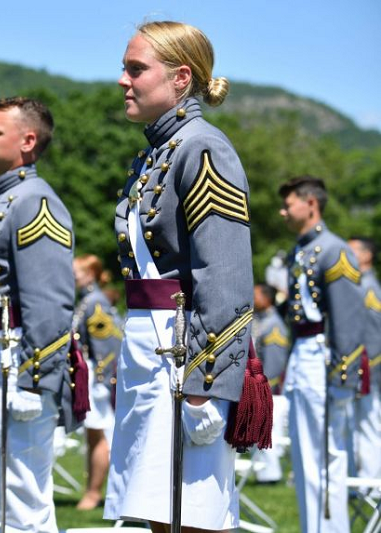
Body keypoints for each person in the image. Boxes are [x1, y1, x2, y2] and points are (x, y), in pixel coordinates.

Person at [105, 21, 270, 532]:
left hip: (182, 354)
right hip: (149, 346)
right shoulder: (158, 151)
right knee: (158, 511)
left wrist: (206, 382)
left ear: (181, 78)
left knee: (192, 514)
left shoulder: (202, 147)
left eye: (136, 69)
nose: (122, 80)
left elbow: (223, 276)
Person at [0, 96, 80, 532]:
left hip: (15, 360)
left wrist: (36, 377)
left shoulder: (34, 202)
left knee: (21, 501)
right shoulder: (8, 199)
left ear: (27, 140)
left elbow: (49, 299)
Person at [279, 176, 365, 532]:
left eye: (289, 204)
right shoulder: (297, 252)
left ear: (311, 203)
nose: (283, 212)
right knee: (304, 459)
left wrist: (343, 377)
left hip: (322, 356)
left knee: (326, 456)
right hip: (301, 353)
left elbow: (347, 319)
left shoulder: (334, 249)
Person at [72, 254, 120, 510]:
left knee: (100, 434)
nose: (72, 276)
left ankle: (94, 494)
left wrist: (103, 380)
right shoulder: (87, 300)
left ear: (90, 273)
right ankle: (92, 490)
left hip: (97, 376)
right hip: (89, 374)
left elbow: (107, 344)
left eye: (76, 271)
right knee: (92, 435)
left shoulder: (95, 301)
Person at [346, 237, 381, 481]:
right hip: (363, 366)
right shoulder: (360, 285)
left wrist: (368, 369)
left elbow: (374, 333)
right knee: (360, 426)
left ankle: (371, 483)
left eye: (352, 251)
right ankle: (363, 481)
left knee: (368, 425)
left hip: (369, 367)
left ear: (366, 256)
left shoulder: (367, 288)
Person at [251, 283, 290, 483]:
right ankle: (264, 473)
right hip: (261, 387)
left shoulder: (274, 325)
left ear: (267, 299)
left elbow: (275, 363)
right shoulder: (260, 321)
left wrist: (264, 387)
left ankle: (271, 476)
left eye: (256, 294)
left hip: (270, 389)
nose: (252, 297)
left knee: (270, 431)